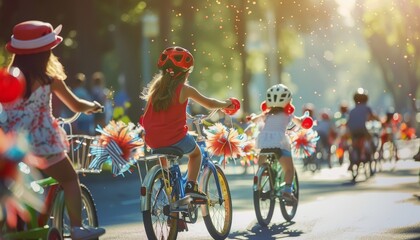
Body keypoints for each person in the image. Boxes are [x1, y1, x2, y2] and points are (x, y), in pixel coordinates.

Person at [1, 20, 105, 240]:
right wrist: (92, 107)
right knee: (69, 178)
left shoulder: (8, 79)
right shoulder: (49, 80)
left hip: (13, 146)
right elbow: (76, 104)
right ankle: (77, 228)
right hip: (42, 143)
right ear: (43, 54)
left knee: (18, 186)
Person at [140, 46, 235, 203]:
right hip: (175, 139)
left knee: (163, 153)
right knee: (196, 154)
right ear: (185, 72)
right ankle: (191, 187)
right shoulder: (184, 89)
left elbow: (151, 114)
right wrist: (226, 103)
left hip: (152, 139)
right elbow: (210, 103)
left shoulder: (155, 89)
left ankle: (168, 184)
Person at [250, 84, 306, 204]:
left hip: (263, 142)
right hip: (279, 142)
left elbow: (254, 120)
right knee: (289, 169)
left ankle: (259, 184)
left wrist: (253, 117)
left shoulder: (266, 114)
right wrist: (305, 120)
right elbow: (300, 122)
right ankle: (287, 192)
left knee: (261, 166)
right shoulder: (288, 115)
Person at [346, 88, 379, 169]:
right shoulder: (367, 108)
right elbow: (373, 117)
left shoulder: (352, 110)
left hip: (352, 130)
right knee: (371, 138)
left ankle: (351, 162)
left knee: (353, 144)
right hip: (362, 128)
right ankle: (371, 153)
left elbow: (348, 122)